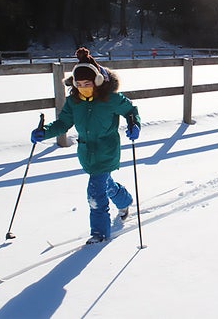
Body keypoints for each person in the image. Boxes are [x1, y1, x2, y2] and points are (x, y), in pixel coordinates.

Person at [31, 47, 141, 244]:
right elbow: (63, 123)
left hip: (107, 151)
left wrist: (134, 125)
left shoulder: (111, 99)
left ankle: (99, 234)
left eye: (87, 83)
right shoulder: (74, 102)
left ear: (98, 82)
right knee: (105, 183)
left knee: (95, 193)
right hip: (86, 153)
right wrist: (45, 132)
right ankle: (124, 201)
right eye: (79, 84)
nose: (83, 87)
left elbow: (130, 111)